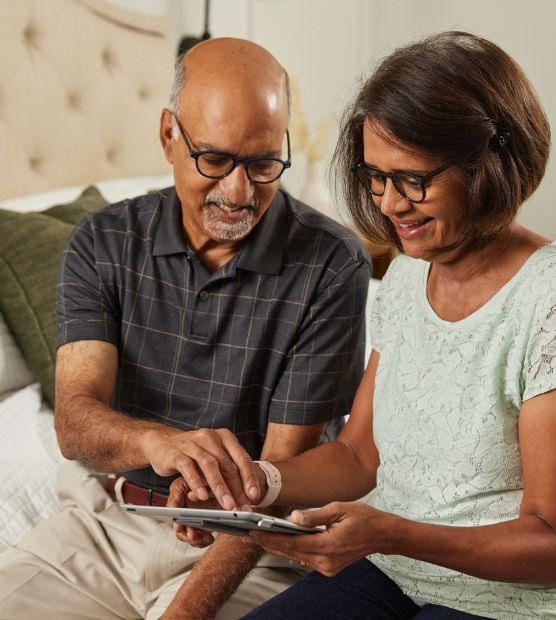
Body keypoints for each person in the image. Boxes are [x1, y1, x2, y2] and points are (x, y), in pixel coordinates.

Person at [167, 32, 556, 619]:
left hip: (517, 602)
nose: (388, 204)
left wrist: (388, 533)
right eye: (377, 178)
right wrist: (250, 484)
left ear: (489, 164)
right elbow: (359, 456)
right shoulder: (407, 276)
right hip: (394, 574)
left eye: (413, 179)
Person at [0, 39, 370, 619]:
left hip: (253, 547)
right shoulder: (101, 243)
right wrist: (158, 443)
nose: (239, 193)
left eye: (264, 163)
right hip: (103, 525)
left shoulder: (332, 264)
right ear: (170, 134)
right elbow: (73, 424)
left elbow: (275, 487)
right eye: (216, 160)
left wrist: (184, 613)